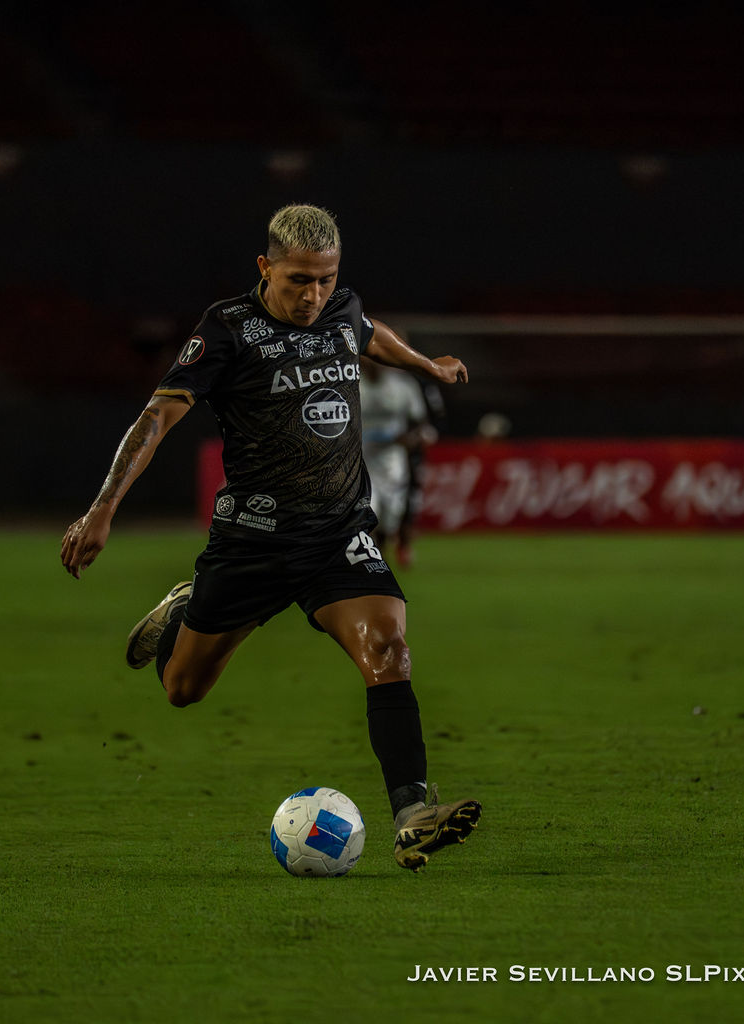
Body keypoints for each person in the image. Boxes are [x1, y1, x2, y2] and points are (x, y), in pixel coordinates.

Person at [60, 204, 480, 871]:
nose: (314, 295)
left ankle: (412, 812)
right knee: (182, 689)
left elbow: (368, 333)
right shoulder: (227, 331)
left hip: (339, 533)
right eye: (298, 281)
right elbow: (157, 416)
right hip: (253, 541)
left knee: (389, 650)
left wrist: (425, 366)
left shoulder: (341, 308)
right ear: (265, 267)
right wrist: (103, 506)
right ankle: (183, 607)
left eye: (325, 279)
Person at [359, 357, 438, 564]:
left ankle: (383, 550)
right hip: (361, 459)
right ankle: (374, 558)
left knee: (391, 514)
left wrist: (410, 439)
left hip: (393, 461)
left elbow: (420, 422)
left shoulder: (402, 386)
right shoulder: (351, 384)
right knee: (369, 510)